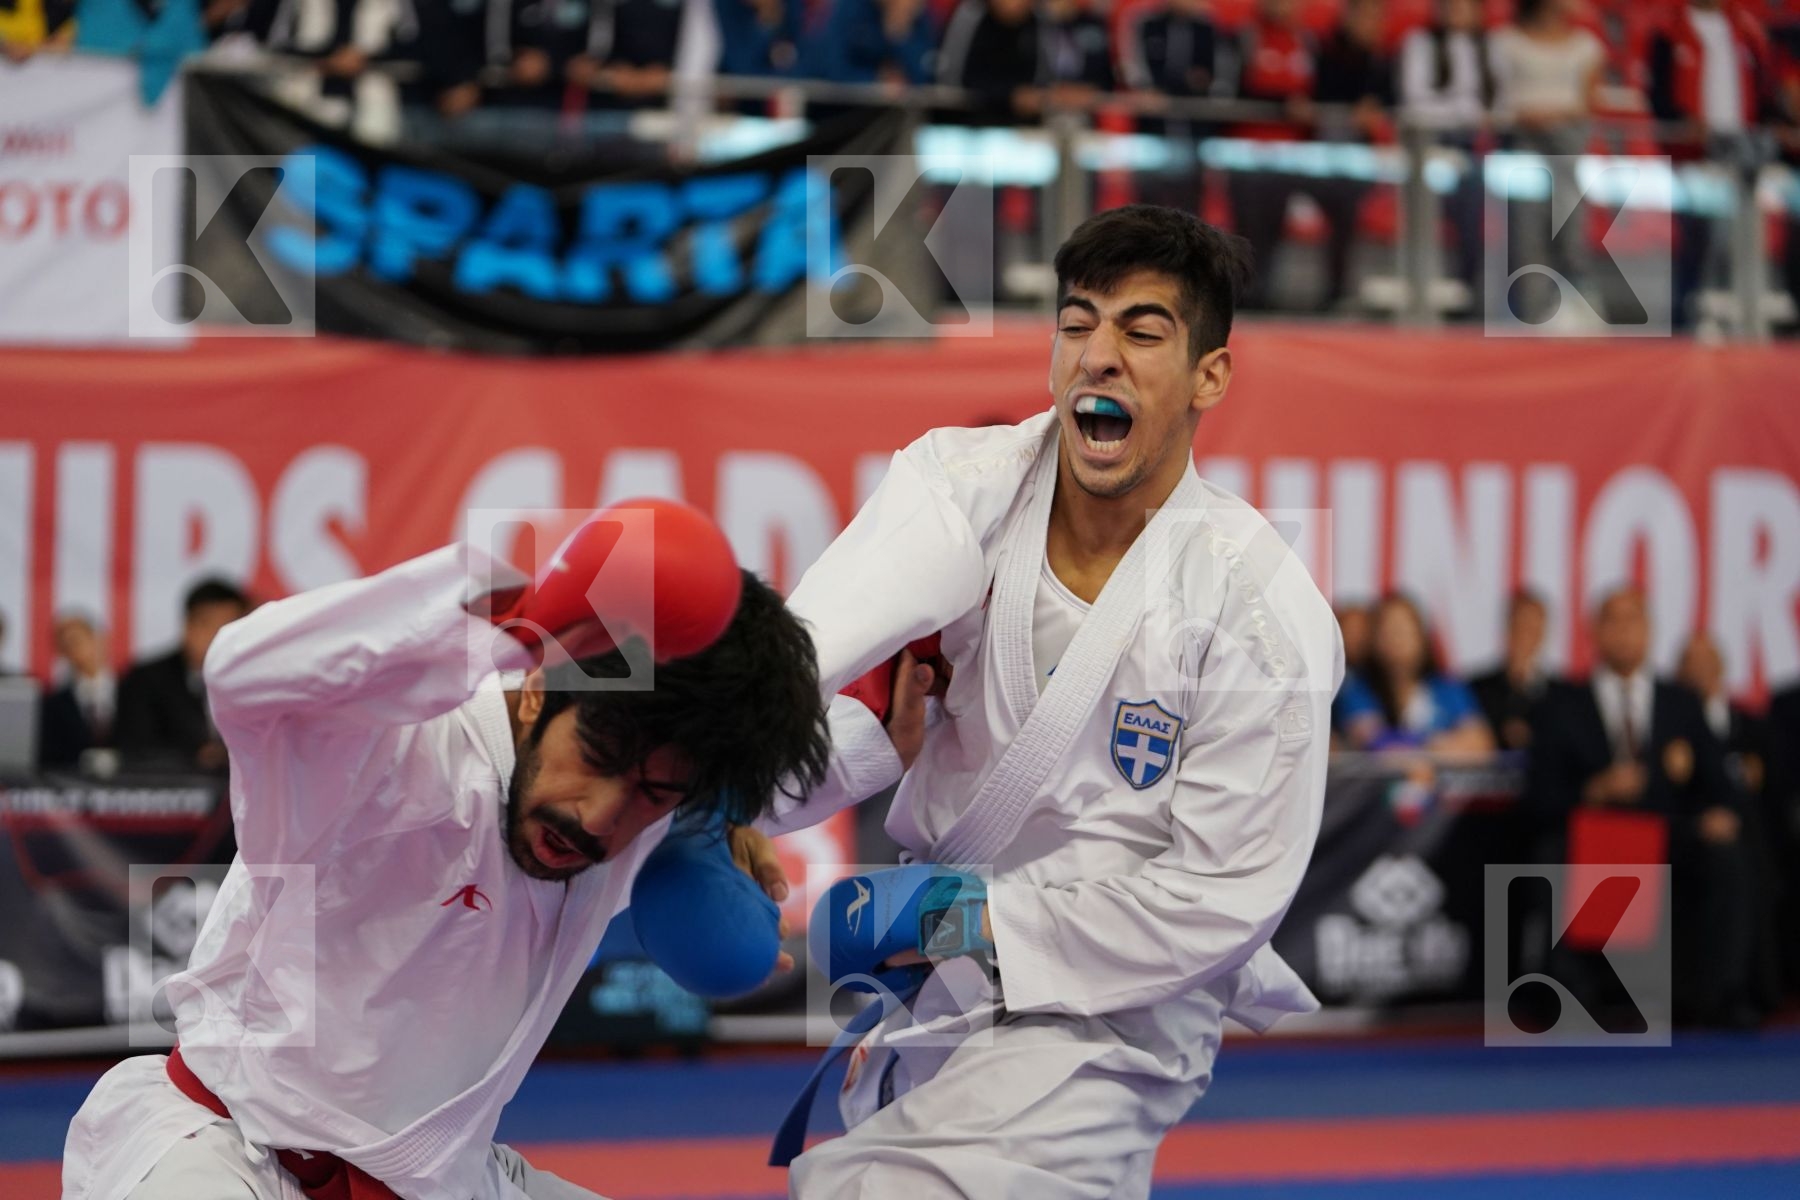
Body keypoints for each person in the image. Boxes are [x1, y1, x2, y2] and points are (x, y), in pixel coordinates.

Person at [764, 204, 1342, 1197]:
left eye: (1141, 330)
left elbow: (1218, 903)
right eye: (1077, 324)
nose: (1097, 357)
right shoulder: (959, 492)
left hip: (1116, 1018)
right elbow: (808, 658)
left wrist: (962, 916)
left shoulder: (1262, 615)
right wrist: (720, 793)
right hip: (936, 996)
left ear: (1212, 375)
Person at [62, 501, 835, 1200]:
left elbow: (848, 735)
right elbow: (244, 670)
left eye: (654, 795)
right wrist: (515, 619)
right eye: (596, 755)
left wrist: (718, 815)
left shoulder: (662, 808)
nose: (597, 817)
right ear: (537, 688)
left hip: (443, 1180)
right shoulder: (392, 755)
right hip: (233, 1153)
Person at [1527, 587, 1754, 1028]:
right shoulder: (1561, 705)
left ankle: (1716, 996)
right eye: (1613, 620)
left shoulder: (1681, 702)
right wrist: (1596, 790)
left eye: (1634, 620)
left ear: (1649, 630)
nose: (1625, 631)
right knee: (1550, 852)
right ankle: (1574, 998)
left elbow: (1719, 781)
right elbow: (1538, 797)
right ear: (1595, 632)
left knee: (1725, 855)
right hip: (1590, 834)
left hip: (1666, 835)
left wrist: (1722, 811)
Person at [1647, 0, 1776, 333]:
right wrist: (1683, 124)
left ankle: (1742, 320)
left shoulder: (1746, 31)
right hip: (1692, 152)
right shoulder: (1668, 32)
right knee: (1698, 238)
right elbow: (1657, 94)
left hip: (1742, 150)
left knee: (1741, 238)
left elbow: (1763, 89)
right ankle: (1690, 319)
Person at [1488, 0, 1606, 323]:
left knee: (1570, 229)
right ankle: (1531, 313)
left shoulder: (1587, 47)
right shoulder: (1505, 42)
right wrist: (1529, 118)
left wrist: (1553, 118)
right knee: (1526, 236)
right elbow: (1496, 103)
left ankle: (1576, 311)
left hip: (1567, 150)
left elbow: (1587, 106)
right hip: (1520, 147)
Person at [1398, 0, 1495, 312]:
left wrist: (1474, 116)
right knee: (1428, 213)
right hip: (1427, 144)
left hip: (1475, 147)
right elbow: (1415, 100)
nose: (1459, 13)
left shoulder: (1488, 47)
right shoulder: (1421, 43)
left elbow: (1500, 103)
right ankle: (1423, 295)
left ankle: (1469, 294)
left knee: (1477, 210)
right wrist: (1463, 111)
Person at [114, 579, 252, 773]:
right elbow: (134, 749)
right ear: (189, 626)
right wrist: (194, 756)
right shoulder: (145, 680)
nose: (223, 639)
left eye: (232, 629)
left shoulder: (251, 680)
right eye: (213, 627)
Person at [1337, 594, 1494, 755]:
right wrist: (1440, 746)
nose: (1397, 639)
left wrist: (1421, 752)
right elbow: (1376, 744)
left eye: (1405, 629)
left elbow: (1480, 742)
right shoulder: (1358, 690)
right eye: (1389, 630)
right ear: (1374, 640)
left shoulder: (1447, 687)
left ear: (1421, 635)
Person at [1468, 590, 1550, 752]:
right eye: (1520, 625)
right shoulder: (1477, 687)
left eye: (1533, 627)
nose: (1526, 634)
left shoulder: (1561, 694)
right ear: (1508, 628)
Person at [38, 611, 117, 769]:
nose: (75, 649)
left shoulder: (132, 691)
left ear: (99, 639)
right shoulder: (52, 704)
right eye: (65, 644)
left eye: (78, 639)